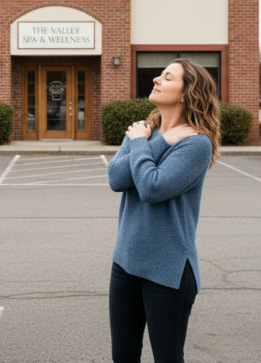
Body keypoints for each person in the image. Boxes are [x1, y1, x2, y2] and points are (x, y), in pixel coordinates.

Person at [107, 58, 221, 363]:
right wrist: (158, 140)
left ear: (186, 93)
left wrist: (145, 145)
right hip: (126, 261)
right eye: (160, 75)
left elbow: (152, 188)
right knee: (123, 356)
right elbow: (116, 179)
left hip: (168, 270)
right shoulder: (142, 130)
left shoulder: (196, 143)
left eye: (167, 77)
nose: (157, 79)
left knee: (167, 358)